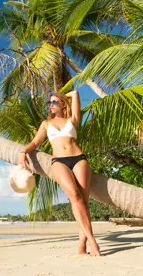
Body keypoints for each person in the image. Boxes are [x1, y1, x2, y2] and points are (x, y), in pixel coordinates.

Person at [19, 91, 100, 256]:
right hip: (59, 162)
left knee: (83, 202)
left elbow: (76, 93)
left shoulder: (73, 120)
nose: (51, 105)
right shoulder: (46, 123)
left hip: (79, 159)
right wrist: (23, 152)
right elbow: (35, 142)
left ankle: (82, 242)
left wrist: (67, 94)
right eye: (49, 102)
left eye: (55, 101)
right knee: (75, 197)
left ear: (63, 103)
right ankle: (92, 241)